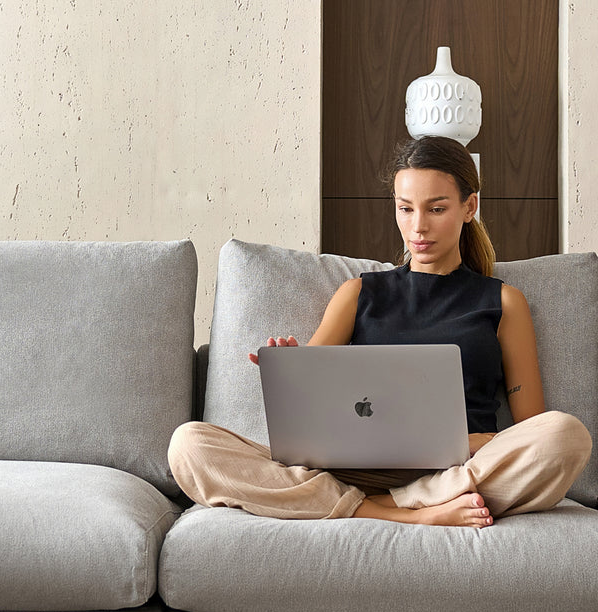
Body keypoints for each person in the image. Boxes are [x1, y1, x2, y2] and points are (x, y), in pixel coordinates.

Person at [168, 136, 592, 528]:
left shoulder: (503, 302)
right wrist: (291, 371)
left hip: (456, 468)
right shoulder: (358, 294)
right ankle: (405, 511)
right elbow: (307, 426)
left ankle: (390, 501)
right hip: (350, 470)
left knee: (565, 436)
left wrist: (463, 440)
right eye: (405, 208)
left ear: (469, 207)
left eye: (436, 208)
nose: (418, 227)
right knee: (189, 445)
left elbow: (532, 429)